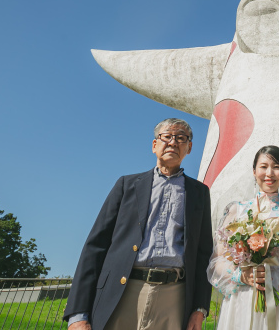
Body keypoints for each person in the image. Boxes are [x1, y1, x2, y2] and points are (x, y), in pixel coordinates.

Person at [64, 118, 213, 330]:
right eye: (167, 136)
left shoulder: (199, 193)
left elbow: (203, 254)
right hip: (122, 292)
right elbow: (95, 246)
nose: (173, 142)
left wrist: (199, 309)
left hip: (174, 298)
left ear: (189, 148)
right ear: (154, 145)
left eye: (181, 138)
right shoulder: (127, 185)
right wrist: (78, 314)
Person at [207, 145, 279, 330]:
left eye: (277, 167)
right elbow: (218, 260)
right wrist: (241, 275)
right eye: (263, 166)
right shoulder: (237, 211)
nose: (269, 173)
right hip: (244, 292)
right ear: (254, 171)